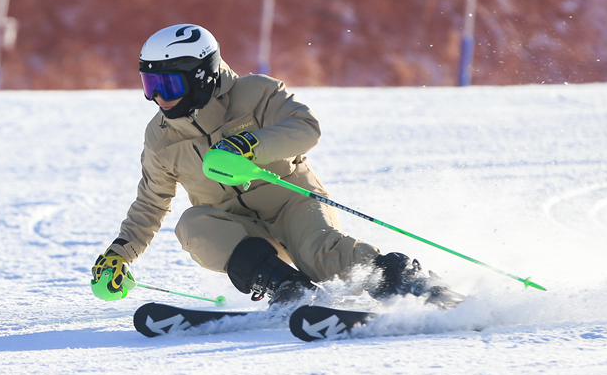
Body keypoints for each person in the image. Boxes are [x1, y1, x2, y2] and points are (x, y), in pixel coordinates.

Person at [91, 24, 455, 307]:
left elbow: (306, 128)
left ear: (202, 76)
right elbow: (151, 202)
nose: (157, 98)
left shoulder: (257, 93)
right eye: (149, 84)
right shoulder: (161, 137)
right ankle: (285, 288)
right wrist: (120, 253)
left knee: (320, 257)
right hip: (239, 228)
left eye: (167, 85)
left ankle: (408, 282)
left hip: (294, 203)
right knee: (193, 225)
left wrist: (252, 144)